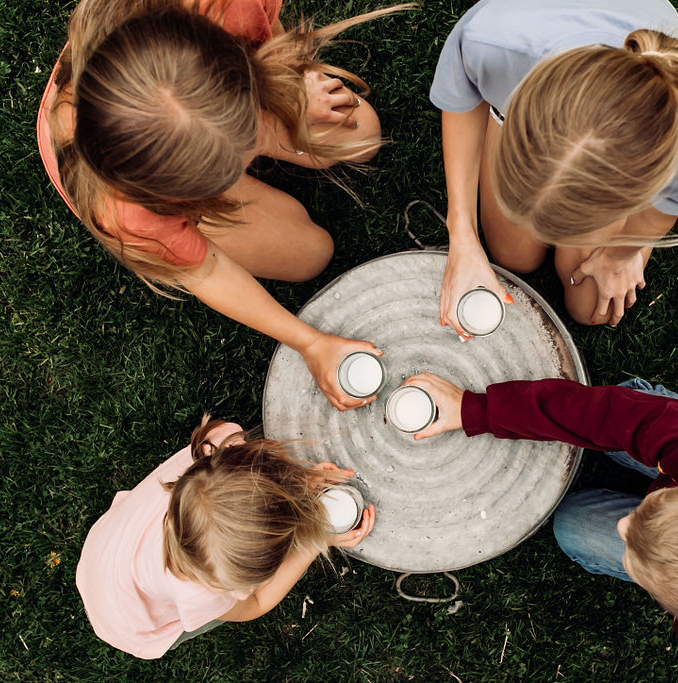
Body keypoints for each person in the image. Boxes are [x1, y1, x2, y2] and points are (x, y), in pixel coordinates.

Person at [37, 0, 406, 410]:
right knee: (311, 255)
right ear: (179, 197)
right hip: (140, 138)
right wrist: (309, 341)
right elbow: (206, 270)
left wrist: (294, 82)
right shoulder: (125, 207)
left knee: (363, 136)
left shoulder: (231, 8)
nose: (249, 168)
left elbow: (273, 43)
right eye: (227, 176)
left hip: (201, 97)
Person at [402, 373, 678, 676]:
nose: (622, 528)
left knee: (571, 527)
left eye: (634, 561)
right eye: (643, 516)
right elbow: (603, 411)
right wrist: (475, 409)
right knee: (631, 397)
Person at [429, 0, 678, 330]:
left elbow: (664, 207)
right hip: (530, 56)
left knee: (589, 308)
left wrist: (620, 256)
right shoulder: (494, 37)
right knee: (514, 258)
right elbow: (464, 94)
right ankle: (502, 115)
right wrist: (462, 235)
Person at [76, 416, 376, 659]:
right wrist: (314, 541)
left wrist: (298, 479)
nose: (243, 592)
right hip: (125, 619)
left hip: (105, 550)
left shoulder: (213, 450)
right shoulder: (198, 594)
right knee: (206, 613)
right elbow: (256, 602)